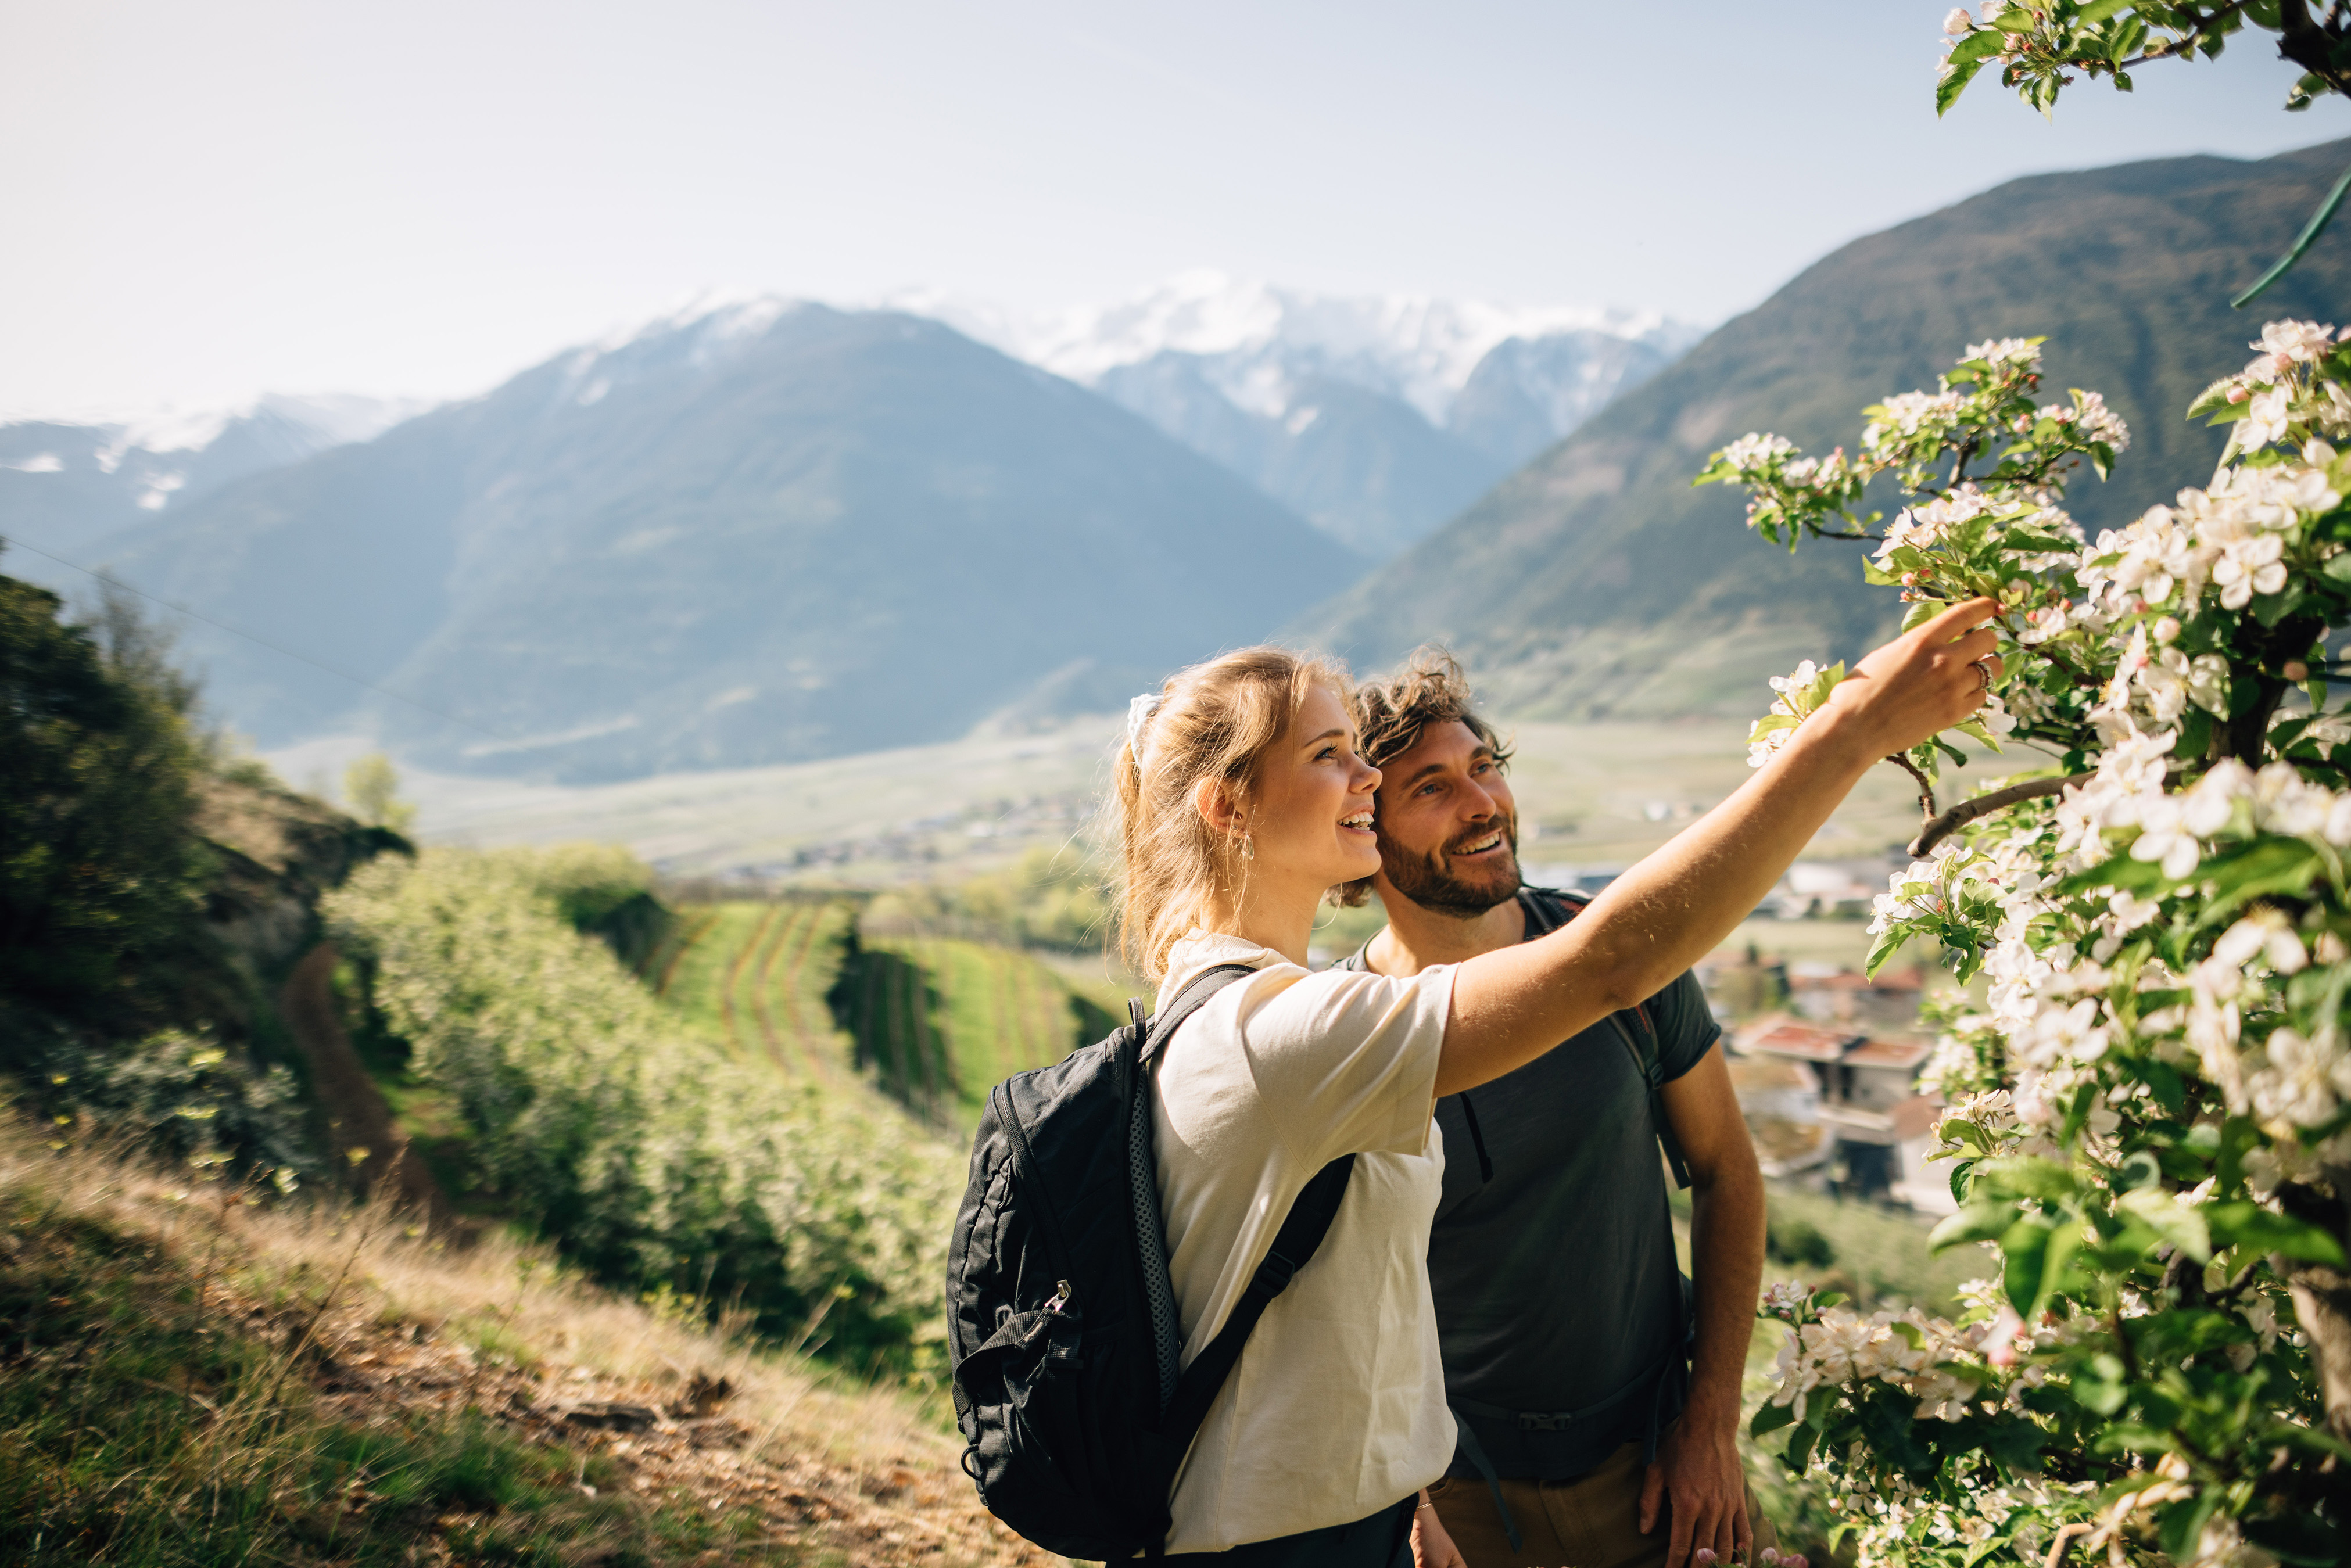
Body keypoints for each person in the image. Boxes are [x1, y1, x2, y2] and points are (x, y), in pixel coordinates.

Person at [1113, 599, 1998, 1565]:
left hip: (1619, 1466)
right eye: (1337, 758)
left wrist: (1707, 1424)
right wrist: (1853, 725)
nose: (1367, 782)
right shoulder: (1299, 1032)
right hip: (1425, 1502)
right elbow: (1614, 957)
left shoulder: (1255, 1015)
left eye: (1483, 768)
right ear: (1229, 808)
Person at [1336, 649, 1768, 1568]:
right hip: (1458, 1497)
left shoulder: (1622, 959)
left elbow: (1726, 1171)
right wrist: (1401, 1499)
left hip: (1658, 1466)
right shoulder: (1341, 1037)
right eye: (1431, 787)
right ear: (1362, 834)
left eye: (1484, 767)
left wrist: (1711, 1429)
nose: (1481, 803)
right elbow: (1337, 1293)